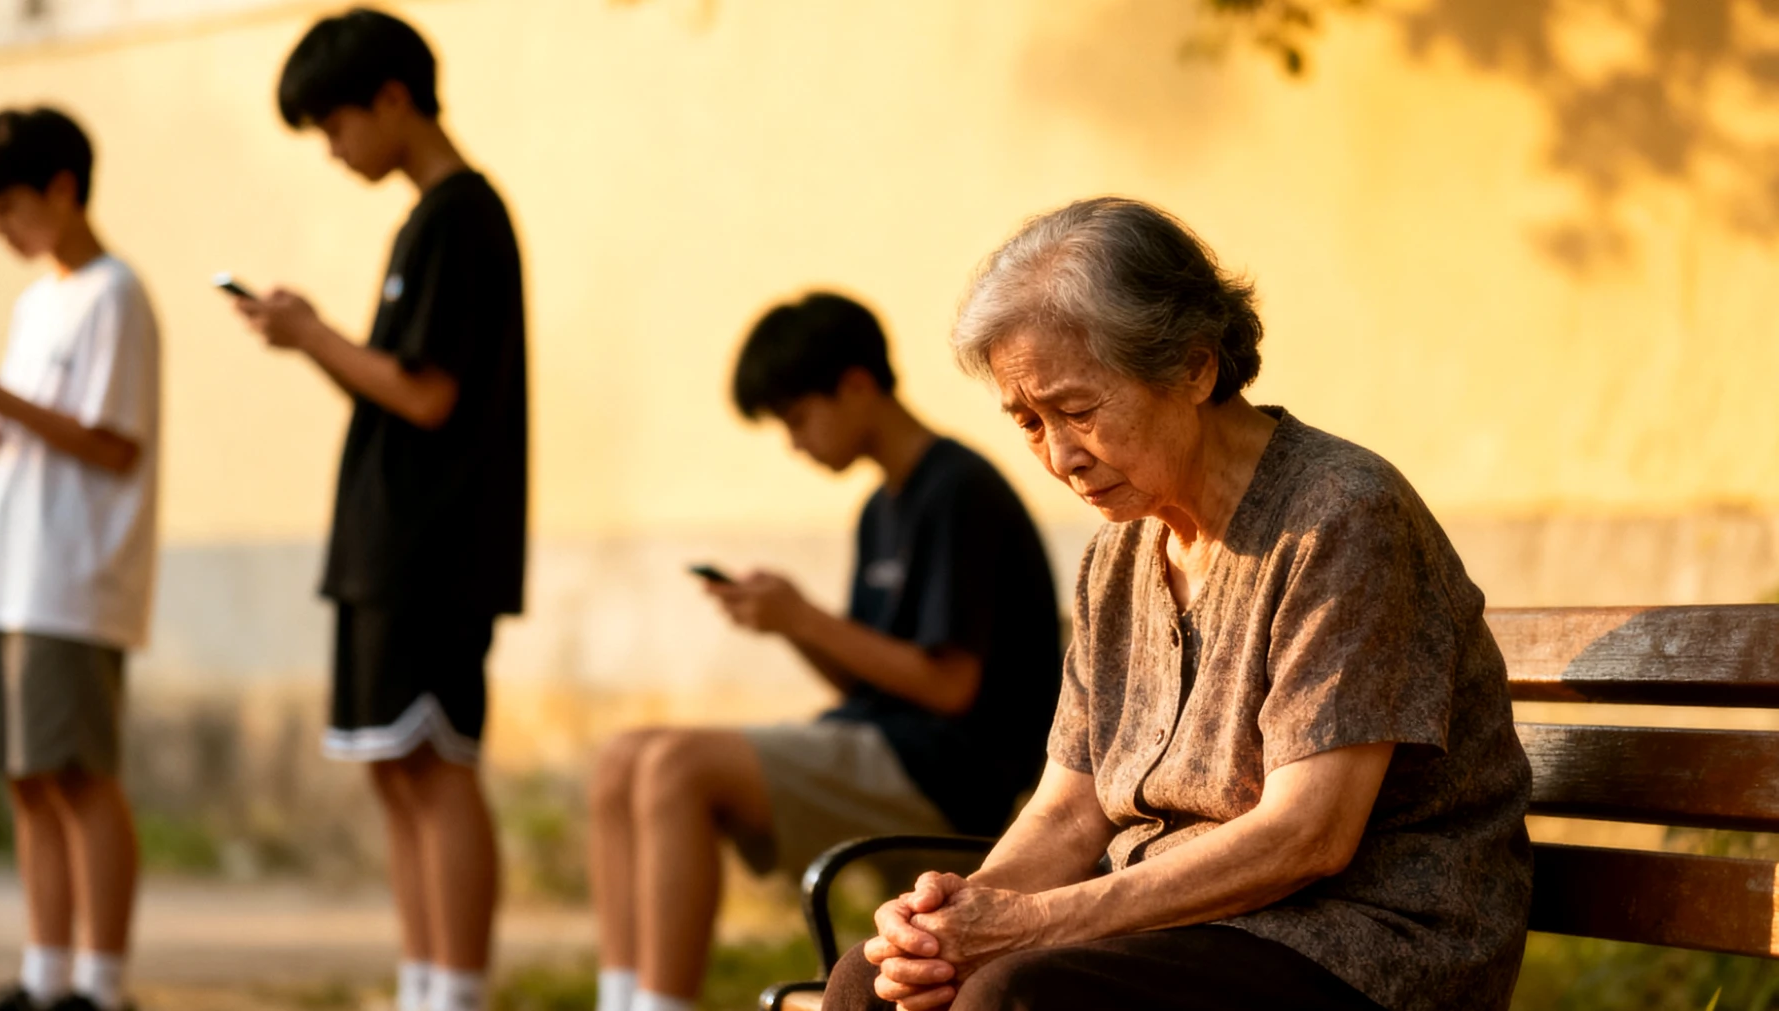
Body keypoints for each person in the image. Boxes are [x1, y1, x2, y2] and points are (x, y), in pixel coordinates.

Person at [823, 197, 1534, 1011]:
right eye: (1028, 421)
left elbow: (1310, 833)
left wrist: (1028, 927)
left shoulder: (1341, 515)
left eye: (1080, 410)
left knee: (1016, 995)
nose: (1060, 456)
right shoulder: (1119, 552)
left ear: (1194, 367)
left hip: (1364, 942)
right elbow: (1068, 810)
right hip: (1184, 928)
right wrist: (955, 919)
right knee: (871, 983)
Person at [587, 292, 1064, 1011]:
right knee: (623, 754)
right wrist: (790, 624)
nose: (795, 442)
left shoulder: (959, 491)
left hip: (950, 771)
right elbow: (870, 678)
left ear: (856, 385)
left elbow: (948, 687)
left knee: (674, 766)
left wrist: (806, 614)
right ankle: (619, 996)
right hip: (885, 739)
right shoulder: (881, 507)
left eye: (798, 417)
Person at [228, 10, 527, 1011]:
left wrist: (310, 334)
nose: (333, 150)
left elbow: (426, 393)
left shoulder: (461, 217)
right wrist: (313, 340)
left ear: (392, 99)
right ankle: (423, 983)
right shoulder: (424, 220)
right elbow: (401, 387)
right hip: (385, 545)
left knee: (436, 766)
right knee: (394, 773)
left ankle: (459, 991)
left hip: (432, 548)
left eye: (336, 125)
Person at [0, 107, 160, 1011]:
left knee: (81, 774)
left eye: (8, 205)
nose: (0, 228)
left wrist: (0, 394)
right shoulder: (35, 300)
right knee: (27, 776)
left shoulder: (114, 295)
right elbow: (26, 431)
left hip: (74, 576)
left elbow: (112, 442)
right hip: (8, 569)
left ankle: (102, 979)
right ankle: (47, 970)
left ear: (62, 187)